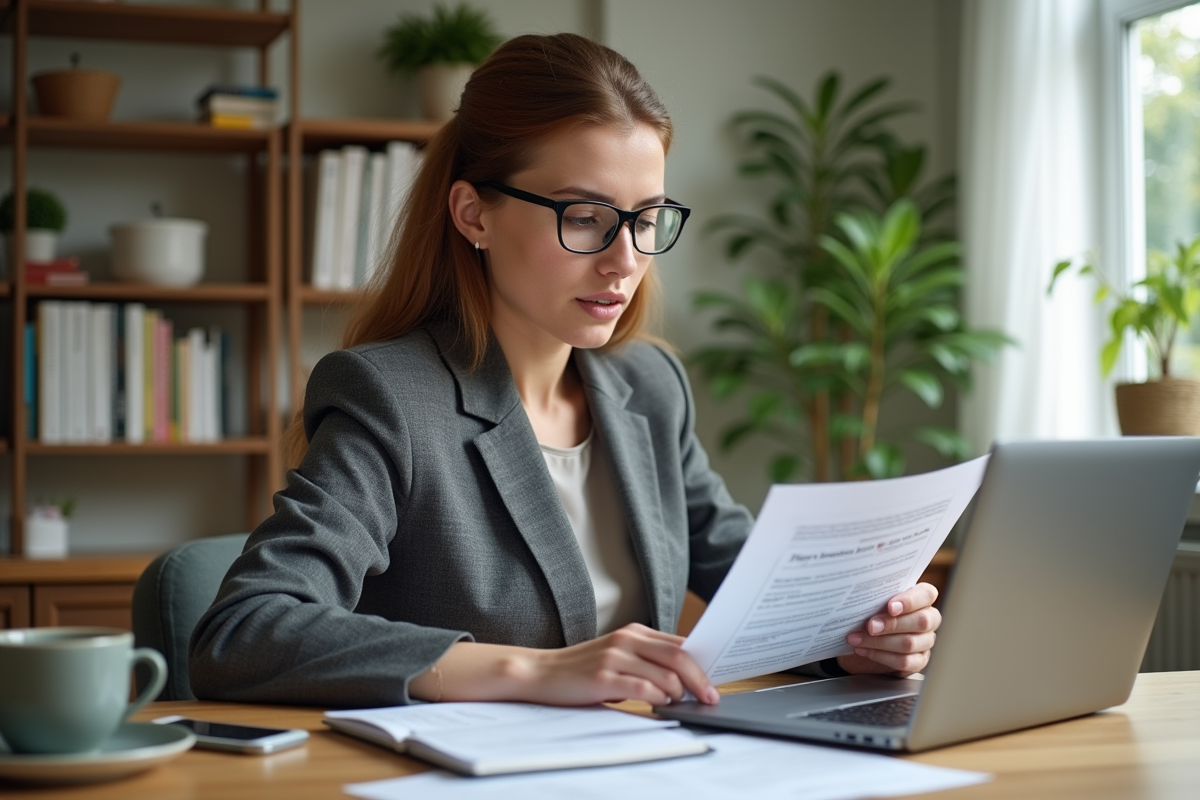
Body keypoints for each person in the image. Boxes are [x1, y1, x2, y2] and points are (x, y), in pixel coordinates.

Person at [189, 32, 941, 709]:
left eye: (646, 219)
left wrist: (856, 638)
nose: (625, 261)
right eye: (584, 218)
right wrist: (531, 671)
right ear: (473, 215)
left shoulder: (650, 386)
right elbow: (245, 631)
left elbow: (760, 591)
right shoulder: (391, 398)